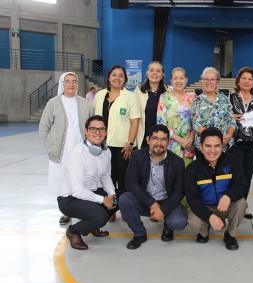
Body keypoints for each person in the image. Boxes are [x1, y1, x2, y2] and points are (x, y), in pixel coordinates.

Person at [119, 124, 186, 250]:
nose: (159, 143)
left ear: (168, 142)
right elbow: (130, 183)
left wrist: (164, 210)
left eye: (163, 139)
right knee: (124, 199)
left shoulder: (177, 162)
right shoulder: (137, 156)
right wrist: (152, 204)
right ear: (148, 140)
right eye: (155, 138)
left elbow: (179, 191)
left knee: (179, 222)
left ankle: (167, 228)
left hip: (167, 201)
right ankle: (139, 234)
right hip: (145, 200)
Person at [39, 72, 94, 226]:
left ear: (77, 84)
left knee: (80, 181)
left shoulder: (85, 103)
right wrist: (50, 147)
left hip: (80, 149)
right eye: (67, 81)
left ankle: (82, 211)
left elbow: (93, 125)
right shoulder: (53, 103)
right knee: (62, 183)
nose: (71, 84)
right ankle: (66, 212)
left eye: (74, 81)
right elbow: (44, 127)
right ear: (62, 84)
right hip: (60, 152)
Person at [57, 116, 117, 250]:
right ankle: (73, 231)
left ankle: (92, 225)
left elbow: (106, 176)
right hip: (69, 199)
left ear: (106, 132)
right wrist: (102, 200)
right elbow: (77, 191)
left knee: (120, 198)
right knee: (100, 217)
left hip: (90, 193)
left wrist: (112, 194)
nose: (98, 132)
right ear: (86, 131)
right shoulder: (78, 154)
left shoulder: (106, 151)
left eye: (101, 129)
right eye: (93, 129)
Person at [185, 127, 247, 251]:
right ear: (201, 147)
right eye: (208, 146)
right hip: (205, 206)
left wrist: (228, 196)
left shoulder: (233, 161)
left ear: (222, 146)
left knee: (241, 204)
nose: (212, 150)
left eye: (217, 146)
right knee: (193, 222)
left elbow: (241, 186)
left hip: (225, 205)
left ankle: (230, 235)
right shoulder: (192, 169)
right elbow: (192, 198)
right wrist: (209, 216)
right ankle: (204, 231)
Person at [93, 65, 140, 212]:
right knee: (107, 179)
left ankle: (126, 209)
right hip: (102, 146)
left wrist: (130, 143)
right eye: (114, 75)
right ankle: (111, 209)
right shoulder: (100, 95)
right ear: (108, 77)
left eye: (121, 76)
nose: (117, 78)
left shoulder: (130, 97)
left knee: (123, 179)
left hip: (122, 147)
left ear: (125, 79)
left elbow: (134, 122)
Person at [228, 67, 253, 219]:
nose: (247, 81)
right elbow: (223, 116)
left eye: (250, 79)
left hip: (252, 144)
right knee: (234, 175)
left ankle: (243, 205)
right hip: (234, 143)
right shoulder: (230, 98)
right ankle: (231, 205)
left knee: (248, 175)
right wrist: (231, 116)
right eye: (244, 78)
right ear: (238, 80)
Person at [191, 67, 236, 155]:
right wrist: (214, 140)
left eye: (212, 79)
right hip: (204, 148)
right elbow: (196, 124)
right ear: (202, 81)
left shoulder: (225, 99)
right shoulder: (196, 101)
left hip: (224, 146)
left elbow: (232, 121)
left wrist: (228, 136)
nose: (209, 82)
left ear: (217, 82)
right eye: (206, 79)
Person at [156, 67, 196, 166]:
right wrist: (180, 140)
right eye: (175, 78)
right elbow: (161, 123)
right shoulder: (164, 97)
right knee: (172, 177)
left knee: (187, 176)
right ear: (171, 80)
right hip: (171, 146)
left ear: (186, 80)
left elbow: (197, 121)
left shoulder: (193, 97)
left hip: (189, 146)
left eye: (181, 78)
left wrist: (190, 139)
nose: (178, 81)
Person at [136, 61, 167, 148]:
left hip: (162, 139)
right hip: (143, 137)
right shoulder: (138, 91)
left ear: (162, 74)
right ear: (147, 73)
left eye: (158, 71)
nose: (154, 73)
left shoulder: (168, 92)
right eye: (151, 70)